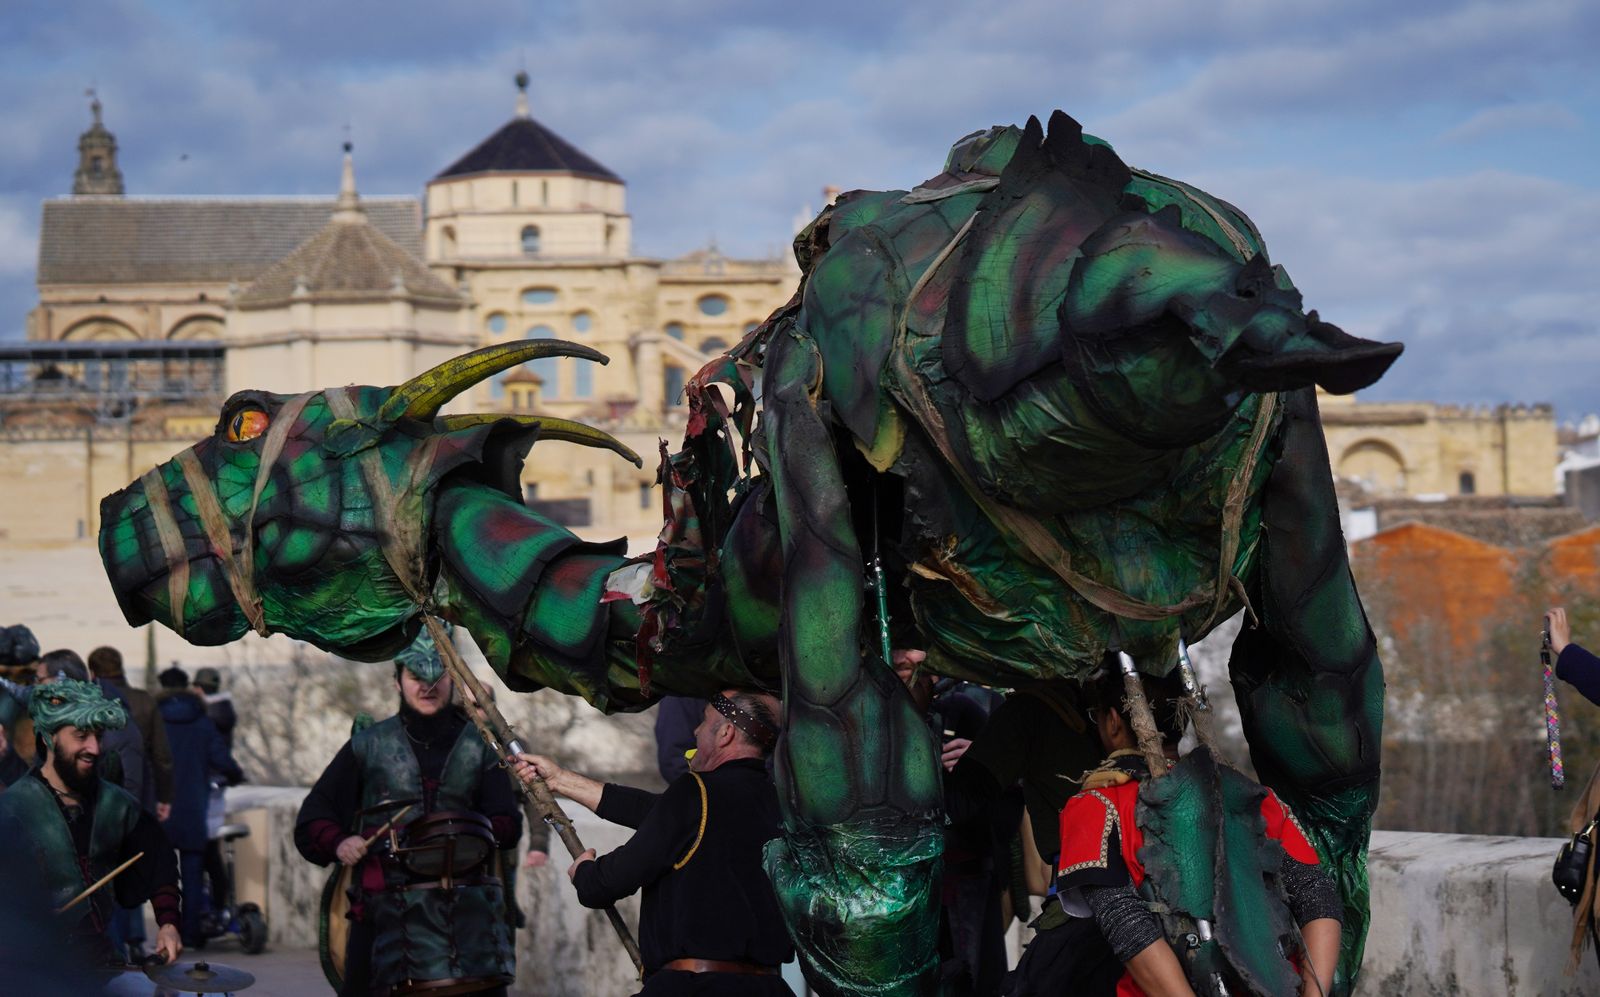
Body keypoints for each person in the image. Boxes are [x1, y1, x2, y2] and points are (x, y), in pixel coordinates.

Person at [1054, 670, 1342, 997]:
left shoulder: (1096, 806)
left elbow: (1125, 923)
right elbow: (1316, 894)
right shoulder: (1254, 798)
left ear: (1113, 721)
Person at [514, 689, 795, 996]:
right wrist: (560, 780)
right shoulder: (784, 808)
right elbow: (652, 811)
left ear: (726, 733)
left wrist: (586, 872)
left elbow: (607, 883)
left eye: (704, 721)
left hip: (696, 989)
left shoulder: (695, 792)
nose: (695, 731)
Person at [294, 631, 523, 996]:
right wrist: (339, 842)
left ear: (452, 678)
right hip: (383, 912)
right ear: (398, 681)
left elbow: (508, 824)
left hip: (465, 917)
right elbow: (313, 819)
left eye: (438, 676)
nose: (427, 687)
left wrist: (466, 836)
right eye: (416, 676)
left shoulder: (481, 746)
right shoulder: (368, 744)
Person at [0, 678, 182, 983]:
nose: (94, 748)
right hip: (33, 970)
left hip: (101, 962)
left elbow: (158, 859)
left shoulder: (117, 804)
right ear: (49, 738)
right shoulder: (13, 810)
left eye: (98, 736)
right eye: (81, 736)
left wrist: (168, 923)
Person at [892, 648, 1008, 995]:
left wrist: (978, 762)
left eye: (918, 665)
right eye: (900, 662)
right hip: (897, 886)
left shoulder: (964, 711)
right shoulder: (871, 722)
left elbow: (993, 804)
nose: (907, 666)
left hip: (963, 881)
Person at [157, 666, 244, 948]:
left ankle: (166, 932)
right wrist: (235, 775)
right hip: (194, 807)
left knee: (161, 875)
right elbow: (221, 759)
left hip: (160, 807)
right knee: (193, 875)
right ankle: (192, 935)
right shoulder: (202, 721)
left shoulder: (153, 719)